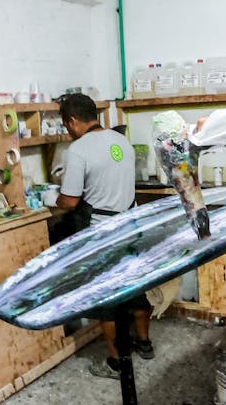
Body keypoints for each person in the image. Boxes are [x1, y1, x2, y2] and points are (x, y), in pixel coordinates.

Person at [52, 93, 154, 376]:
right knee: (135, 286)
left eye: (66, 125)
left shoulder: (79, 150)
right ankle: (144, 344)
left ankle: (116, 362)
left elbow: (70, 201)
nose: (67, 131)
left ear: (72, 121)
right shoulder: (121, 141)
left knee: (106, 300)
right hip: (130, 227)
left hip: (102, 231)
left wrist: (55, 199)